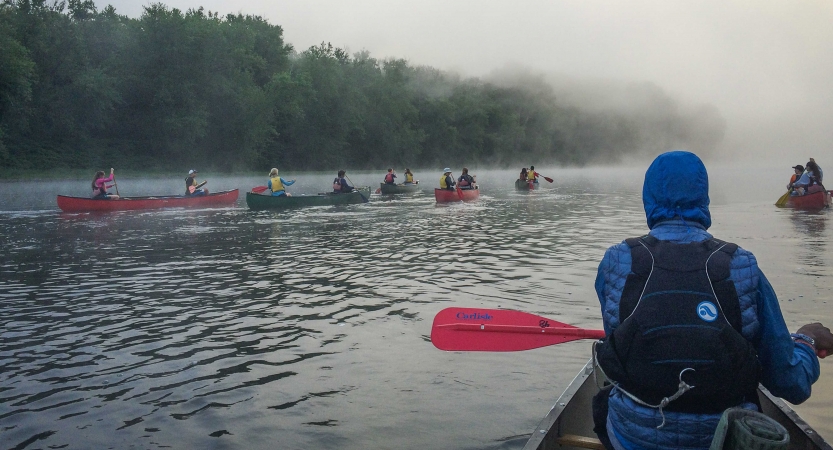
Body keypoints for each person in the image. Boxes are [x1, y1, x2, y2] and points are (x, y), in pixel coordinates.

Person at [592, 151, 832, 450]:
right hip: (721, 439)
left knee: (604, 402)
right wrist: (807, 342)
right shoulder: (741, 265)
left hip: (632, 438)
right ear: (703, 197)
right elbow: (789, 383)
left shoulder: (616, 261)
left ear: (648, 197)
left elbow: (622, 341)